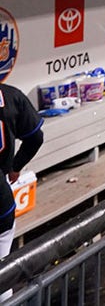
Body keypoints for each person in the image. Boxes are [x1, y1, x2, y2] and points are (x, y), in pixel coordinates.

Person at [0, 82, 43, 264]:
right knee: (3, 273)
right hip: (0, 199)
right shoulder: (10, 94)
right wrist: (15, 167)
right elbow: (36, 138)